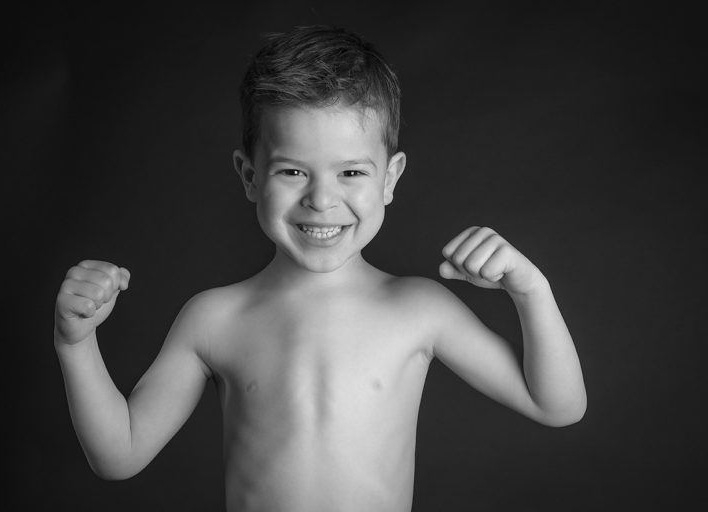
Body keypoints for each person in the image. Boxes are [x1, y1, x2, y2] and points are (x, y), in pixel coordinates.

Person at [53, 25, 586, 512]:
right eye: (291, 171)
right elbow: (119, 455)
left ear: (390, 178)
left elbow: (556, 406)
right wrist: (76, 345)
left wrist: (531, 292)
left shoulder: (419, 308)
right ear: (249, 175)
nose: (322, 199)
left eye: (352, 170)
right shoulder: (214, 317)